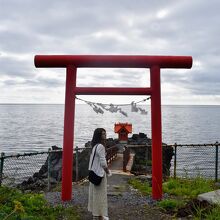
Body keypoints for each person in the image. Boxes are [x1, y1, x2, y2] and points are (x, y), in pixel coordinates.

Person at [88, 128, 110, 220]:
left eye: (105, 134)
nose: (105, 136)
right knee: (100, 194)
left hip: (93, 172)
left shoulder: (95, 146)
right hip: (99, 173)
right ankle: (99, 215)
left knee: (94, 194)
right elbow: (103, 162)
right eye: (103, 134)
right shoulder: (101, 146)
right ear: (99, 135)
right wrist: (108, 171)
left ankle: (96, 213)